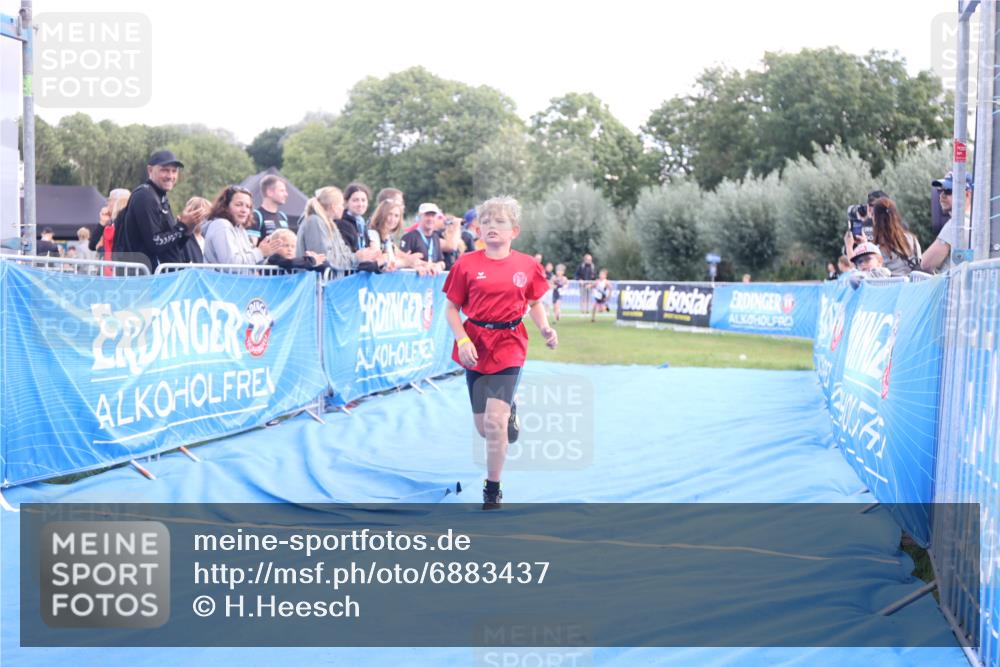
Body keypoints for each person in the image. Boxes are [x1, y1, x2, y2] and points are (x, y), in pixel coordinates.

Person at [443, 195, 558, 510]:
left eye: (500, 222)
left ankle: (492, 488)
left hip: (510, 343)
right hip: (475, 345)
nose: (492, 226)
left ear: (514, 231)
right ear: (478, 228)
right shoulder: (466, 264)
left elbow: (534, 302)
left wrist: (545, 328)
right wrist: (463, 340)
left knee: (495, 423)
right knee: (484, 428)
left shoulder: (527, 266)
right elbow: (452, 308)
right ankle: (511, 410)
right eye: (487, 221)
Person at [116, 150, 198, 270]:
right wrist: (181, 226)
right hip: (145, 280)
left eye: (174, 171)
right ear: (150, 170)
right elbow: (156, 243)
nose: (170, 176)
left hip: (158, 279)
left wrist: (186, 231)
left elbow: (170, 247)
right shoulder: (145, 196)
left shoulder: (160, 196)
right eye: (165, 170)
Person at [846, 197, 921, 277]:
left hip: (890, 287)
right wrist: (865, 245)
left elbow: (860, 272)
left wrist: (849, 246)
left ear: (875, 219)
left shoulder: (878, 247)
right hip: (913, 286)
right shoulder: (912, 239)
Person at [202, 185, 274, 265]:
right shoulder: (221, 225)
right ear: (225, 206)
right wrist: (260, 252)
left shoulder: (240, 229)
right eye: (239, 205)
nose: (244, 210)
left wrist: (270, 253)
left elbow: (251, 263)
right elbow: (231, 264)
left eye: (248, 207)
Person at [296, 186, 356, 274]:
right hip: (317, 285)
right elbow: (323, 260)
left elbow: (344, 255)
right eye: (341, 205)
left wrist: (358, 258)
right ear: (334, 206)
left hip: (328, 283)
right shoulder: (315, 222)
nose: (343, 208)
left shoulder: (330, 225)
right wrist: (357, 258)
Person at [922, 171, 973, 273]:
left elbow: (926, 263)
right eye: (940, 191)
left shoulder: (956, 225)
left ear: (967, 194)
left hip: (954, 287)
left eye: (948, 191)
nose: (942, 196)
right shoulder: (978, 223)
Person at [368, 199, 435, 274]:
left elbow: (404, 257)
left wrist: (426, 265)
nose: (393, 219)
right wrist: (407, 262)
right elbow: (381, 262)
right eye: (389, 214)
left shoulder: (388, 238)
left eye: (396, 216)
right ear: (382, 214)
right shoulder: (373, 234)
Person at [400, 202, 448, 273]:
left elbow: (441, 261)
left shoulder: (435, 237)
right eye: (427, 215)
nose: (430, 219)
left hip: (432, 280)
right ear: (419, 217)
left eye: (433, 216)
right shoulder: (409, 237)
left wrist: (439, 265)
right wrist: (419, 266)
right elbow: (402, 261)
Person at [266, 228, 331, 274]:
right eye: (285, 245)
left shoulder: (299, 261)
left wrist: (318, 260)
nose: (289, 249)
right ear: (275, 246)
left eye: (293, 246)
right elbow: (290, 263)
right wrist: (312, 261)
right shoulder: (274, 258)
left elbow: (324, 266)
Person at [251, 175, 289, 246]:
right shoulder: (256, 215)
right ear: (269, 192)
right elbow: (251, 249)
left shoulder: (283, 216)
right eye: (282, 191)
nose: (286, 194)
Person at [177, 196, 211, 263]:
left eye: (207, 216)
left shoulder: (208, 237)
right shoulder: (182, 239)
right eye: (202, 216)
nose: (204, 220)